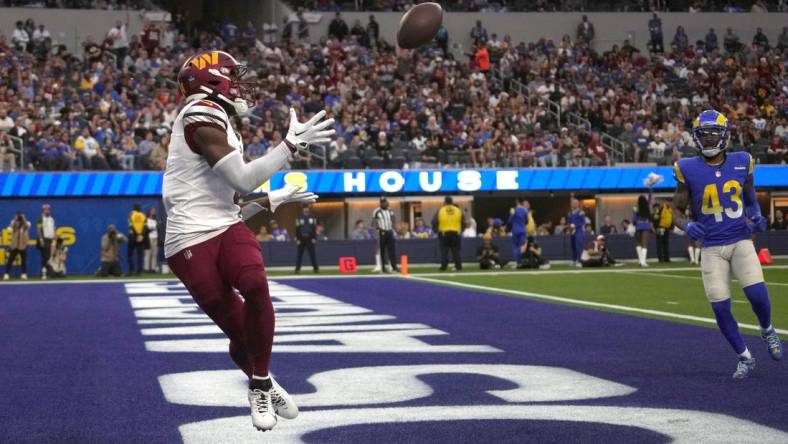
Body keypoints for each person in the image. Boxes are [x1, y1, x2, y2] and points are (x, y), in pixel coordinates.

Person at [162, 50, 330, 431]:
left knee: (255, 283)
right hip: (188, 237)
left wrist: (273, 200)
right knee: (241, 333)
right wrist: (289, 147)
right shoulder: (199, 116)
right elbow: (242, 179)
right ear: (212, 81)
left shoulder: (220, 120)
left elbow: (231, 201)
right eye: (233, 76)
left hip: (226, 224)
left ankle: (257, 382)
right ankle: (265, 379)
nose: (241, 85)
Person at [672, 109, 782, 379]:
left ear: (724, 135)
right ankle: (744, 357)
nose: (708, 141)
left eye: (713, 135)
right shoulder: (686, 168)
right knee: (720, 306)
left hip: (740, 239)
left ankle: (767, 329)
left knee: (757, 295)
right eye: (703, 136)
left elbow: (752, 199)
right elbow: (675, 210)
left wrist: (756, 216)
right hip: (710, 247)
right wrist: (686, 225)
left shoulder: (743, 161)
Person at [433, 196, 464, 271]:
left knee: (444, 251)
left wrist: (437, 231)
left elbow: (435, 221)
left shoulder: (441, 210)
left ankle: (444, 266)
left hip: (444, 233)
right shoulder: (458, 210)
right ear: (452, 202)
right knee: (456, 251)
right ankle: (458, 266)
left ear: (445, 202)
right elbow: (463, 221)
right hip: (456, 232)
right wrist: (461, 230)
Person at [372, 197, 398, 273]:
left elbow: (393, 220)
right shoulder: (377, 211)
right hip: (382, 231)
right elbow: (374, 222)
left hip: (390, 231)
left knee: (392, 250)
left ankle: (394, 267)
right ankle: (382, 268)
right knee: (382, 251)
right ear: (380, 203)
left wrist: (395, 230)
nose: (384, 203)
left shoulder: (390, 210)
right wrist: (376, 232)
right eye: (382, 202)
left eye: (385, 202)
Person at [3, 213, 30, 280]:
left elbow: (27, 226)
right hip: (14, 245)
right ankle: (7, 274)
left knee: (23, 260)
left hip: (22, 245)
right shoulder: (13, 222)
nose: (19, 218)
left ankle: (24, 274)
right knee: (10, 259)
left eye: (20, 216)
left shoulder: (26, 222)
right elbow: (10, 228)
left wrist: (23, 219)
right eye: (18, 216)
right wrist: (15, 219)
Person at [632, 188, 654, 267]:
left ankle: (640, 261)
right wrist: (650, 188)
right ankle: (643, 262)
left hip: (638, 227)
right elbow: (650, 198)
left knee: (638, 244)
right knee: (644, 244)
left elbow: (633, 219)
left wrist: (636, 224)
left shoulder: (635, 209)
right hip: (646, 227)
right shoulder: (647, 207)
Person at [294, 204, 319, 274]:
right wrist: (298, 238)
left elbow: (314, 228)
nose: (306, 209)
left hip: (310, 238)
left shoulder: (312, 217)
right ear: (302, 209)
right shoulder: (299, 217)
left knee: (312, 254)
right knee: (299, 255)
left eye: (307, 208)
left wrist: (314, 238)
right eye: (305, 208)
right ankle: (297, 269)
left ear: (308, 209)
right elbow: (297, 228)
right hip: (301, 238)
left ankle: (316, 269)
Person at [36, 204, 56, 279]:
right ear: (43, 210)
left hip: (51, 240)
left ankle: (47, 272)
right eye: (46, 209)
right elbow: (38, 230)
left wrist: (54, 239)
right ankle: (45, 273)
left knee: (50, 256)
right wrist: (41, 239)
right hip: (44, 240)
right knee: (45, 257)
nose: (47, 211)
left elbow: (54, 229)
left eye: (48, 209)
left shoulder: (52, 219)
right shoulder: (40, 219)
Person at [508, 197, 529, 266]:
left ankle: (518, 262)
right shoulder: (525, 210)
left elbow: (509, 221)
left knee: (515, 246)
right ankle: (522, 261)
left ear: (517, 201)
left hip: (515, 230)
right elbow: (527, 221)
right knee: (522, 245)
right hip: (523, 230)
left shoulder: (513, 210)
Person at [567, 195, 586, 268]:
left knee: (578, 246)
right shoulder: (570, 213)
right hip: (572, 231)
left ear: (577, 204)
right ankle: (574, 260)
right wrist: (569, 227)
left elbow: (582, 222)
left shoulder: (581, 212)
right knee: (573, 246)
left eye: (574, 203)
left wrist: (575, 226)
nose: (572, 204)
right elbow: (569, 222)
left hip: (579, 231)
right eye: (572, 203)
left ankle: (579, 260)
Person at [127, 203, 146, 276]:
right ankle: (140, 271)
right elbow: (145, 226)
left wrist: (137, 235)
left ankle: (131, 271)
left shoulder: (131, 214)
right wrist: (141, 235)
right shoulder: (142, 215)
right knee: (140, 254)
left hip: (132, 236)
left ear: (133, 208)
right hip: (140, 237)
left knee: (130, 254)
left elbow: (131, 226)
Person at [143, 207, 159, 273]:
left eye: (154, 211)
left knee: (154, 254)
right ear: (149, 211)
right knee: (147, 254)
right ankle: (146, 269)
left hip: (155, 238)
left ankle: (153, 269)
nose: (153, 212)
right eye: (152, 211)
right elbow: (145, 230)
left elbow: (158, 229)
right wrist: (150, 229)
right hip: (149, 238)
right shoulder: (146, 220)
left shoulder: (156, 220)